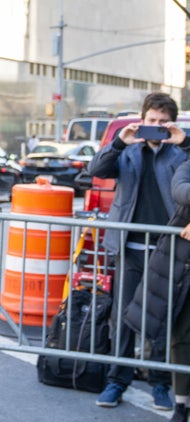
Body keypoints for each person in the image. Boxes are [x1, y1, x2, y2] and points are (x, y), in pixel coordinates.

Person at [89, 92, 190, 410]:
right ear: (142, 119)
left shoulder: (179, 153)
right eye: (151, 120)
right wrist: (120, 141)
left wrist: (185, 142)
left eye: (163, 122)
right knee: (122, 317)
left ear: (171, 123)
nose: (156, 126)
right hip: (129, 246)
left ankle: (160, 383)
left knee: (161, 317)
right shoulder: (128, 150)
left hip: (167, 249)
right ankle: (117, 381)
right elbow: (97, 168)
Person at [124, 159, 190, 421]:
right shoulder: (188, 166)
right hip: (182, 266)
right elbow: (180, 190)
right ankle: (182, 404)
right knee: (181, 336)